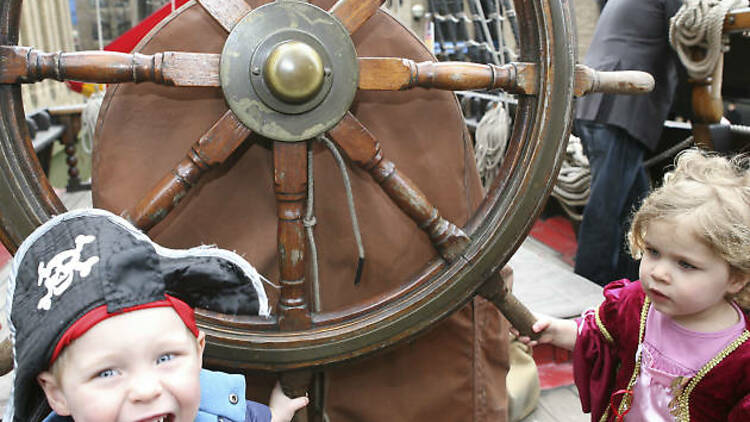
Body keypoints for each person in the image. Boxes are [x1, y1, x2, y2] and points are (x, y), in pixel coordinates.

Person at [4, 208, 309, 422]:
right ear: (58, 395)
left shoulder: (223, 414)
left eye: (165, 358)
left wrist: (276, 414)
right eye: (106, 373)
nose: (147, 390)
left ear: (198, 352)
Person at [520, 149, 750, 420]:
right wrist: (555, 331)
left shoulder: (742, 359)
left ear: (736, 277)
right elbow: (598, 336)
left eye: (685, 264)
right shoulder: (636, 304)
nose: (659, 273)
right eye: (653, 252)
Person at [573, 0, 684, 286]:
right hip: (620, 107)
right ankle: (586, 286)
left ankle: (626, 285)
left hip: (599, 104)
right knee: (608, 209)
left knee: (635, 209)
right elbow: (686, 44)